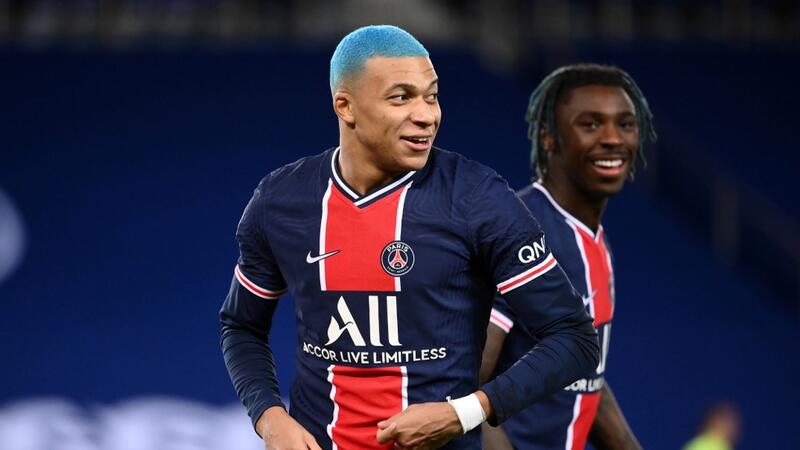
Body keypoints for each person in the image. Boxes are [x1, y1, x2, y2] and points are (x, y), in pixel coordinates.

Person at [220, 26, 599, 450]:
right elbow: (241, 325)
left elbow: (575, 338)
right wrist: (270, 417)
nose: (426, 116)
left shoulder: (478, 198)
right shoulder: (280, 201)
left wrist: (464, 412)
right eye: (401, 97)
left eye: (431, 96)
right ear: (346, 106)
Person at [480, 64, 657, 450]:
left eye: (625, 124)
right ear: (549, 137)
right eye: (590, 124)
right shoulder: (520, 232)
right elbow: (461, 390)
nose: (612, 138)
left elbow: (586, 376)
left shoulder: (594, 240)